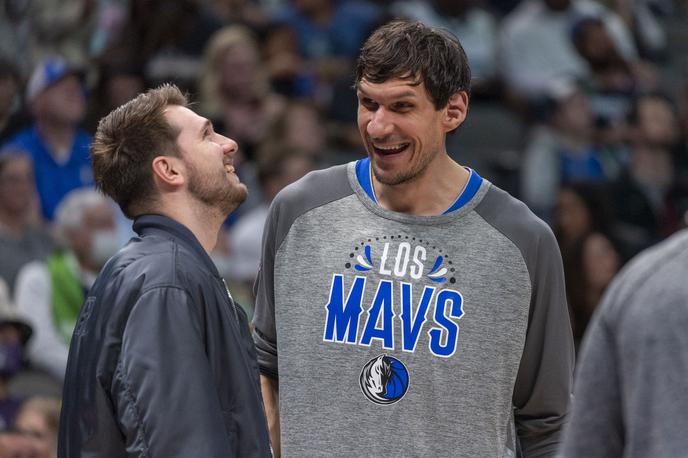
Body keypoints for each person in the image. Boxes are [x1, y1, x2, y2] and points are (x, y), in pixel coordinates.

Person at [253, 20, 574, 457]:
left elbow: (548, 422)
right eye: (369, 104)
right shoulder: (299, 211)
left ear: (454, 111)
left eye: (402, 107)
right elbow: (264, 365)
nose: (378, 127)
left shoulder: (522, 241)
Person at [58, 84, 271, 457]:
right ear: (169, 170)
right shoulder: (165, 280)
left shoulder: (151, 270)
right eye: (208, 135)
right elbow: (178, 445)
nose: (229, 143)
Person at [561, 228, 688, 456]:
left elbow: (586, 444)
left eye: (608, 252)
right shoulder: (643, 288)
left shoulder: (639, 284)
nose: (608, 260)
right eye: (598, 255)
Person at [14, 188, 119, 381]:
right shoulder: (39, 278)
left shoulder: (123, 279)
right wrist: (96, 376)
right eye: (100, 224)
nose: (110, 232)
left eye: (111, 223)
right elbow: (40, 347)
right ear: (72, 234)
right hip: (53, 388)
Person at [0, 56, 93, 221]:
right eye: (60, 85)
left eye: (77, 86)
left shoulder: (100, 151)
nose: (74, 91)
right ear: (35, 101)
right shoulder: (15, 154)